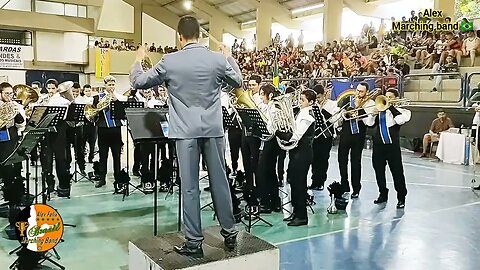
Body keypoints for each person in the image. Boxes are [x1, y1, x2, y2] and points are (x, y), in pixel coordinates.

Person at [130, 15, 242, 257]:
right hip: (213, 130)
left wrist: (138, 60)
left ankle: (194, 242)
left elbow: (138, 82)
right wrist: (229, 55)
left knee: (189, 186)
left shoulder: (169, 61)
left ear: (179, 37)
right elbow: (238, 81)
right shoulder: (216, 59)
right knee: (220, 182)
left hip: (185, 133)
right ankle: (230, 233)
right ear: (201, 35)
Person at [276, 89, 316, 226]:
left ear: (310, 102)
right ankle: (295, 212)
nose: (300, 102)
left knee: (299, 185)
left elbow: (295, 136)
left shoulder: (308, 116)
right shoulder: (301, 113)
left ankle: (301, 216)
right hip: (296, 152)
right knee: (293, 181)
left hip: (303, 153)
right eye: (300, 99)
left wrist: (278, 132)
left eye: (303, 100)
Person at [364, 89, 410, 208]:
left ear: (396, 98)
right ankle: (383, 193)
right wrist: (373, 114)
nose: (388, 99)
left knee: (397, 172)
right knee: (378, 171)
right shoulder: (380, 110)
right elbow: (369, 124)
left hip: (392, 147)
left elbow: (400, 121)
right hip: (378, 146)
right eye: (386, 97)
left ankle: (401, 197)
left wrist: (390, 107)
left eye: (390, 97)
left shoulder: (402, 111)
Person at [337, 83, 375, 198]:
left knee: (355, 163)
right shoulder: (349, 100)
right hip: (345, 135)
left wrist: (360, 108)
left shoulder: (370, 104)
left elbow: (369, 123)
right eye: (357, 91)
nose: (358, 93)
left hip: (358, 136)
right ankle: (344, 185)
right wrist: (343, 113)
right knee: (342, 161)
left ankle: (356, 188)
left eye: (361, 91)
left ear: (367, 92)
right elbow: (341, 117)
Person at [0, 82, 26, 239]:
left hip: (12, 138)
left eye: (11, 94)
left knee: (13, 168)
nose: (10, 96)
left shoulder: (15, 105)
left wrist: (16, 112)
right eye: (7, 94)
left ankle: (13, 201)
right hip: (1, 140)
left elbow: (21, 123)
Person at [93, 76, 128, 191]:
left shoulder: (119, 97)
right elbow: (93, 114)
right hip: (103, 128)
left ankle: (118, 179)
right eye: (109, 85)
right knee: (103, 155)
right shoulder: (98, 97)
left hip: (115, 128)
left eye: (113, 85)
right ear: (105, 85)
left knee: (116, 155)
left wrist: (116, 101)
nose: (111, 87)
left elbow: (122, 113)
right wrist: (98, 107)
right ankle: (102, 178)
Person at [40, 79, 72, 197]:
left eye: (53, 88)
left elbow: (64, 116)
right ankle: (49, 185)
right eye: (49, 88)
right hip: (46, 132)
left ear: (57, 88)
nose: (50, 90)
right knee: (46, 160)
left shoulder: (63, 101)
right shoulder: (43, 99)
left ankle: (63, 186)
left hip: (59, 131)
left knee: (61, 159)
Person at [309, 84, 340, 191]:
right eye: (315, 98)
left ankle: (321, 181)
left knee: (323, 159)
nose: (317, 100)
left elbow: (335, 120)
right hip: (315, 135)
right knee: (314, 159)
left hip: (327, 135)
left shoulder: (332, 104)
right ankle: (314, 181)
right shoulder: (312, 105)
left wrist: (323, 111)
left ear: (324, 95)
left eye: (318, 97)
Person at [256, 84, 281, 213]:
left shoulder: (273, 108)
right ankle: (275, 202)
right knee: (270, 172)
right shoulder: (268, 107)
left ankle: (266, 203)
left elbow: (271, 128)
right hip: (270, 142)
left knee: (264, 171)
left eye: (262, 94)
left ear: (269, 95)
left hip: (271, 142)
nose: (261, 97)